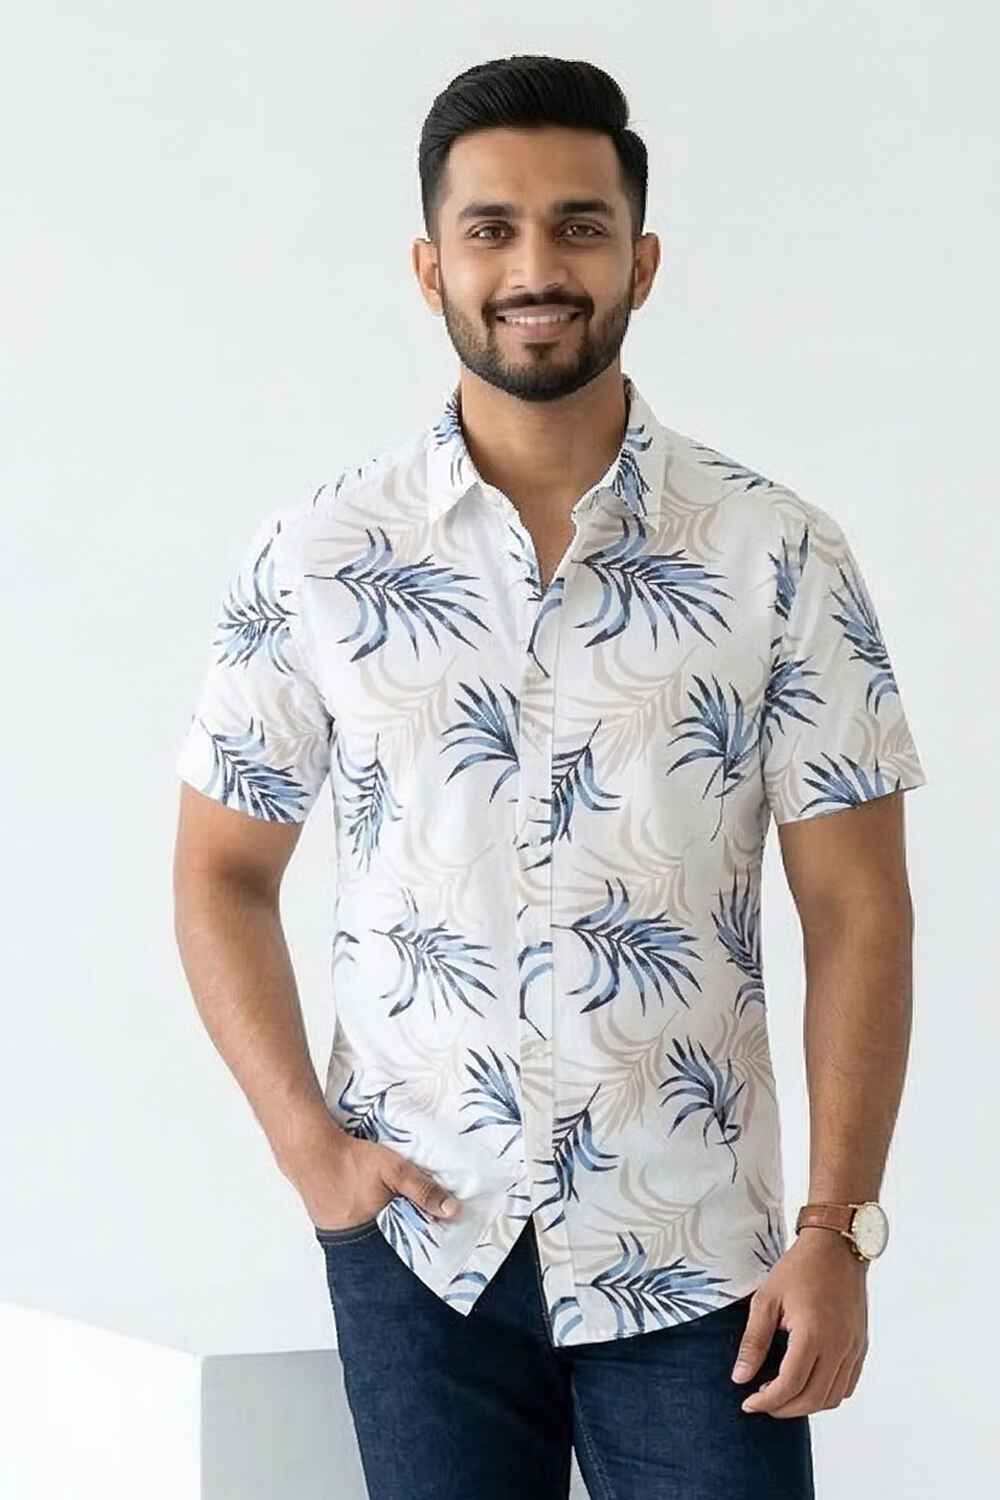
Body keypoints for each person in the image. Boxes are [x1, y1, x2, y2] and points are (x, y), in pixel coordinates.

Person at [173, 53, 928, 1500]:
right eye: (493, 229)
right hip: (418, 1241)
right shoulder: (318, 556)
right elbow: (220, 871)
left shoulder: (778, 554)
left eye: (580, 226)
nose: (536, 268)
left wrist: (839, 1227)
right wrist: (308, 1151)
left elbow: (858, 909)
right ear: (431, 266)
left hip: (700, 1254)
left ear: (641, 261)